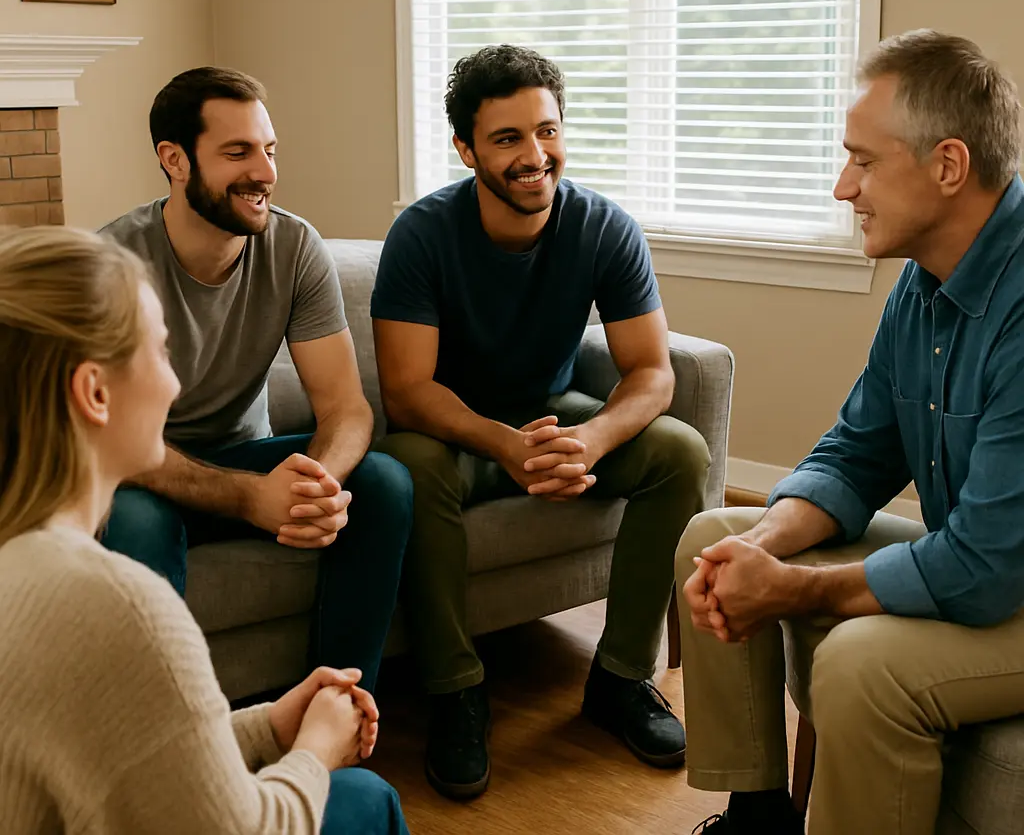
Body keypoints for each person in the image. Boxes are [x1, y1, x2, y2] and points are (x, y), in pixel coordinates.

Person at [678, 30, 1024, 835]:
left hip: (1007, 576)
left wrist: (794, 589)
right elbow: (858, 451)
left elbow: (982, 570)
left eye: (864, 162)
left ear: (947, 165)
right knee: (714, 533)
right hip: (996, 561)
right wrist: (761, 548)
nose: (843, 188)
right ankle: (757, 816)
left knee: (860, 665)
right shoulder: (924, 282)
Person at [370, 44, 711, 800]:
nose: (536, 156)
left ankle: (620, 680)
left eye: (547, 131)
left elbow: (651, 372)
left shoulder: (603, 227)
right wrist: (506, 445)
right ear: (466, 149)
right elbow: (406, 391)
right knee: (407, 468)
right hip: (455, 433)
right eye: (508, 138)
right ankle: (457, 691)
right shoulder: (422, 236)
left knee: (679, 454)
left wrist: (589, 438)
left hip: (556, 420)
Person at [0, 225, 410, 834]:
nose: (173, 383)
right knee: (366, 797)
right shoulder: (124, 607)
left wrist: (270, 726)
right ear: (94, 392)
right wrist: (318, 751)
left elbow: (129, 761)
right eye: (159, 353)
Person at [99, 67, 412, 693]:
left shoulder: (294, 247)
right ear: (175, 160)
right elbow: (108, 441)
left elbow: (347, 410)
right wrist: (251, 498)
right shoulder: (114, 265)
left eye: (269, 150)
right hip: (142, 471)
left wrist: (315, 485)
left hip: (243, 453)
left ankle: (339, 710)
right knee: (134, 521)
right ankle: (161, 747)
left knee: (382, 480)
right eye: (237, 152)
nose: (265, 172)